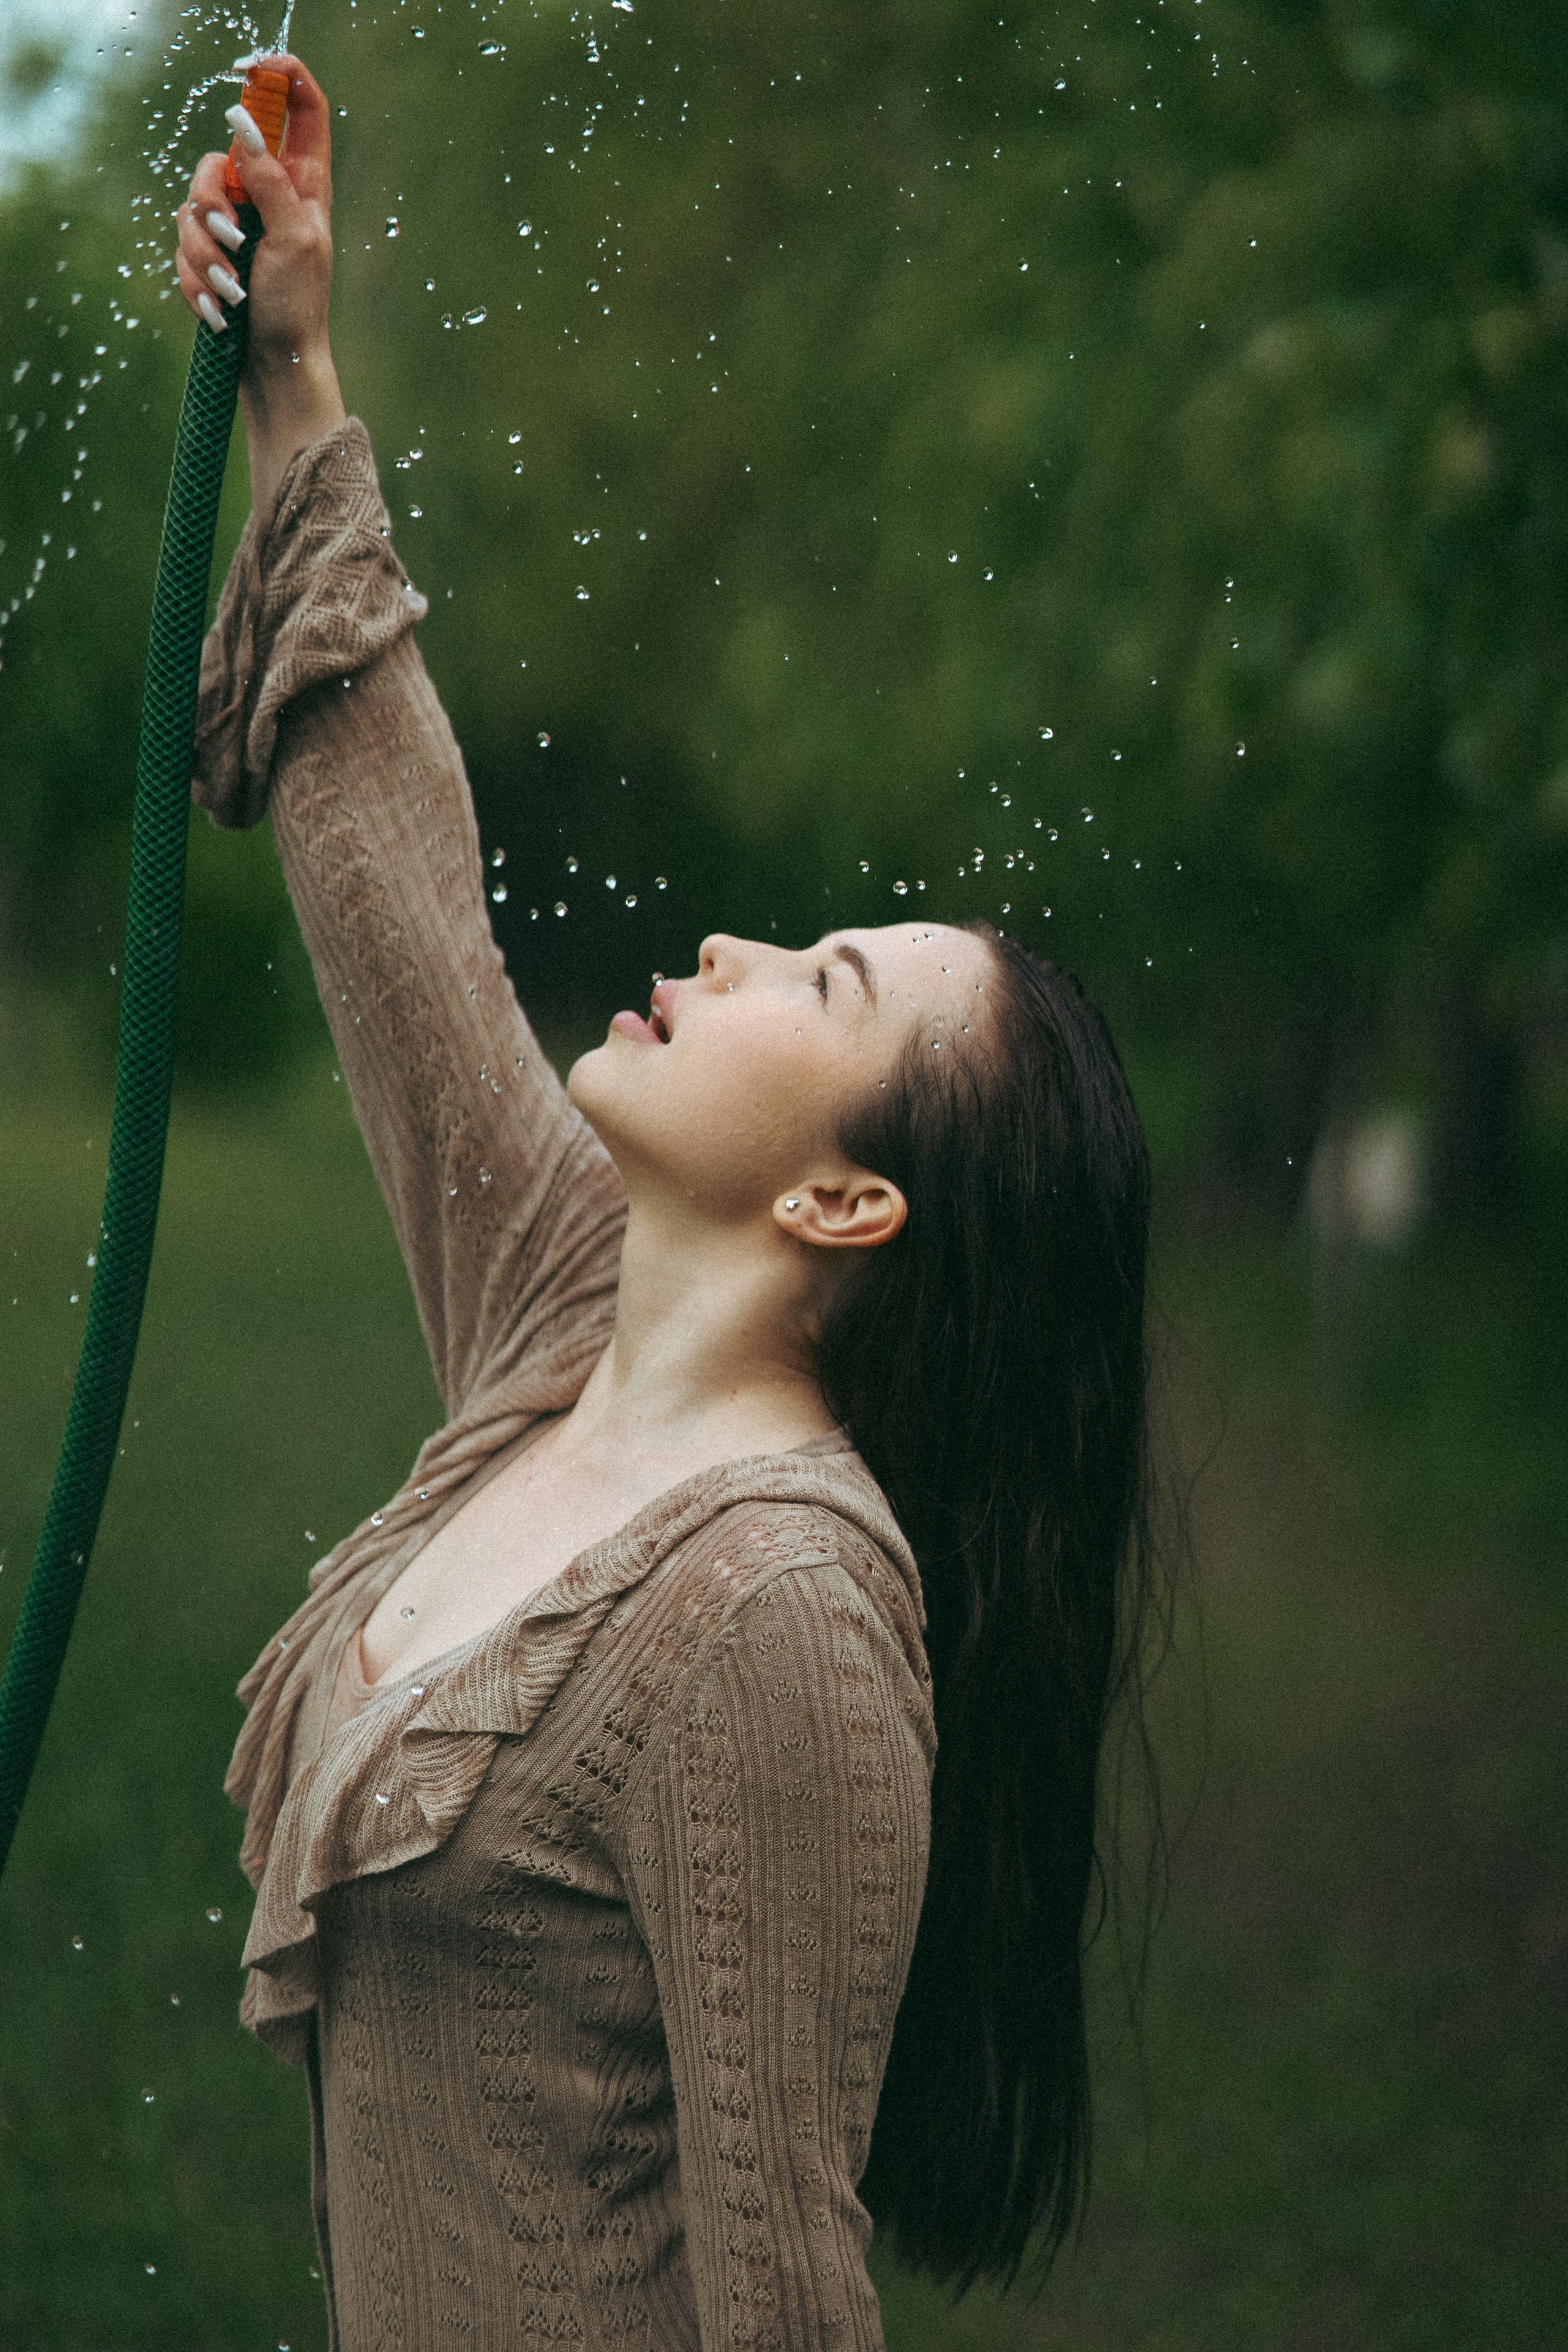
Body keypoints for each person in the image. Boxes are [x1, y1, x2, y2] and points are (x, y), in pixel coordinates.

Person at [176, 55, 1163, 2352]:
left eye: (821, 980)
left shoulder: (782, 1628)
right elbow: (407, 902)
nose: (731, 952)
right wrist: (300, 369)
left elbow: (787, 2303)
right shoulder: (562, 1329)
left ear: (844, 1200)